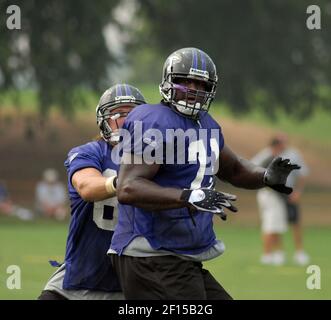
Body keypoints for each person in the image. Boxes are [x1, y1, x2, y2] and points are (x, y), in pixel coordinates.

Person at [108, 47, 300, 300]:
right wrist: (188, 196)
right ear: (168, 81)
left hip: (180, 256)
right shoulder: (152, 120)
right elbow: (128, 187)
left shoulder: (205, 124)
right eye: (184, 81)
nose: (191, 89)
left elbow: (235, 169)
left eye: (199, 83)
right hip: (151, 254)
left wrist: (265, 176)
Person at [38, 84, 146, 300]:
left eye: (134, 114)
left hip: (129, 285)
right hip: (79, 277)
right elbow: (87, 186)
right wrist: (123, 182)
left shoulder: (157, 160)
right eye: (118, 114)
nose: (127, 121)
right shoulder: (89, 152)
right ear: (104, 121)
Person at [252, 133, 309, 266]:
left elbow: (303, 174)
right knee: (275, 223)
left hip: (289, 193)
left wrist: (298, 192)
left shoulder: (294, 154)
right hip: (273, 195)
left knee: (294, 222)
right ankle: (276, 253)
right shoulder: (266, 154)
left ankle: (299, 253)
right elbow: (253, 167)